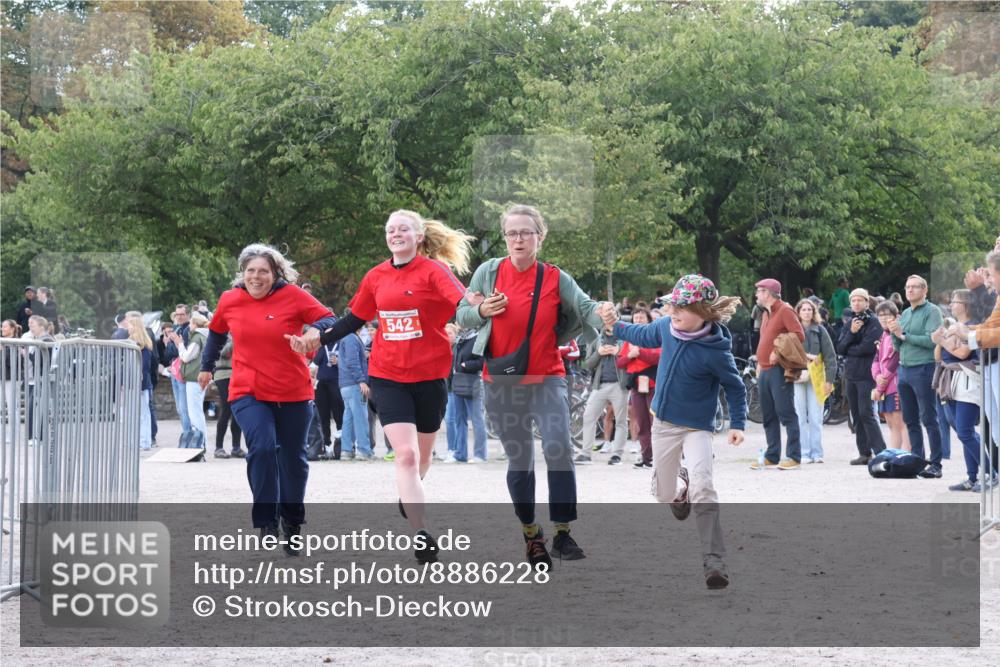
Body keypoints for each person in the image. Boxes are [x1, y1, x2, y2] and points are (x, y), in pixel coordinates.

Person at [292, 210, 476, 564]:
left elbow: (461, 304)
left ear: (418, 236)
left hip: (431, 375)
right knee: (405, 455)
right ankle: (421, 533)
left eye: (403, 229)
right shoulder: (376, 276)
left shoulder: (435, 271)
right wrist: (320, 337)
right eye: (391, 230)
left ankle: (410, 495)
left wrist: (480, 306)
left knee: (422, 458)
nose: (396, 234)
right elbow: (354, 319)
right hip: (387, 374)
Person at [455, 203, 607, 568]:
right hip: (501, 380)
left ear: (540, 237)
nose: (518, 239)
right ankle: (531, 535)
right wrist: (481, 312)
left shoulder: (555, 277)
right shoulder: (488, 273)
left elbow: (586, 308)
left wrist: (604, 311)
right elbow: (460, 314)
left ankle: (563, 531)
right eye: (511, 233)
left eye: (526, 232)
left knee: (557, 445)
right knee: (520, 458)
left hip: (547, 376)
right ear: (505, 237)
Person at [600, 274, 746, 589]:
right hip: (664, 424)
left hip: (697, 427)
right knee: (663, 494)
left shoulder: (716, 351)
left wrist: (738, 424)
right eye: (672, 306)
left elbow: (735, 388)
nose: (674, 312)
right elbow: (638, 332)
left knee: (705, 487)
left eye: (682, 307)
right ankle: (682, 486)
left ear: (704, 312)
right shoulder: (665, 328)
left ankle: (714, 562)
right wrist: (614, 324)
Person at [198, 243, 335, 550]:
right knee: (260, 447)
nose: (256, 277)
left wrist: (313, 333)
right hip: (249, 389)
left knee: (292, 459)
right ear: (242, 273)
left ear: (275, 274)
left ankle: (292, 521)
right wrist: (206, 366)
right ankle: (267, 521)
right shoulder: (230, 299)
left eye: (263, 271)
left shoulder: (295, 296)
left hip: (293, 390)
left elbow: (328, 319)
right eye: (250, 271)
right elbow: (217, 331)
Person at [889, 275, 945, 478]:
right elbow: (898, 345)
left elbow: (932, 341)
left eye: (914, 287)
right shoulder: (904, 313)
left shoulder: (932, 312)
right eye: (907, 287)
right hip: (904, 369)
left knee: (929, 418)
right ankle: (917, 460)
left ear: (924, 290)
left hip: (924, 368)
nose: (910, 290)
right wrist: (894, 334)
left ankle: (936, 464)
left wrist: (903, 334)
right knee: (910, 419)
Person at [750, 278, 805, 470]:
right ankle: (772, 455)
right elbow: (764, 340)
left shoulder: (785, 311)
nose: (756, 295)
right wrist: (759, 362)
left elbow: (799, 335)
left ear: (768, 293)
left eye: (759, 291)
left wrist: (779, 351)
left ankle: (794, 456)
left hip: (779, 369)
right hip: (764, 369)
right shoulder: (766, 314)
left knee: (786, 412)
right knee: (768, 415)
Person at [931, 290, 983, 492]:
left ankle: (990, 472)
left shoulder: (971, 326)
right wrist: (940, 340)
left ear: (966, 304)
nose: (951, 304)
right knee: (964, 433)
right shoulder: (953, 326)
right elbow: (938, 355)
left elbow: (962, 353)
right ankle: (972, 477)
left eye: (955, 301)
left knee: (965, 431)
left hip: (966, 380)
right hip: (950, 380)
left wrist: (943, 340)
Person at [836, 288, 886, 465]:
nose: (856, 303)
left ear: (866, 302)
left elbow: (868, 348)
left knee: (867, 413)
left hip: (867, 374)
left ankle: (881, 452)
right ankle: (864, 453)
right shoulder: (850, 322)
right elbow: (840, 348)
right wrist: (852, 333)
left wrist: (850, 349)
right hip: (851, 374)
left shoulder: (874, 322)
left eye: (859, 300)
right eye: (853, 300)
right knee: (855, 415)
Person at [578, 325, 629, 466]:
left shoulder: (625, 339)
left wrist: (619, 352)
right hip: (599, 385)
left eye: (612, 320)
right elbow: (587, 364)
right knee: (588, 416)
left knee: (621, 420)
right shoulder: (597, 340)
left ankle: (616, 455)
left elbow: (633, 358)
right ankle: (585, 454)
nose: (609, 323)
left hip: (620, 386)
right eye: (606, 320)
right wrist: (598, 353)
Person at [615, 307, 660, 468]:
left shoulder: (655, 337)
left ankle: (658, 456)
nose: (638, 320)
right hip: (636, 385)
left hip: (653, 383)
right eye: (636, 318)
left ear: (648, 320)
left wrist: (640, 352)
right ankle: (646, 456)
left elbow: (658, 357)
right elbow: (619, 362)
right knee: (641, 422)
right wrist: (629, 355)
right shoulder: (629, 340)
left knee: (656, 422)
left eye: (642, 317)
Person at [794, 299, 836, 464]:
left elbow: (830, 357)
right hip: (797, 376)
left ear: (814, 312)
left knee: (816, 416)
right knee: (800, 416)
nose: (806, 312)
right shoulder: (792, 330)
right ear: (798, 312)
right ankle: (803, 453)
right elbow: (786, 350)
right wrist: (809, 356)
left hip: (816, 378)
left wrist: (830, 380)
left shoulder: (820, 330)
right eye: (803, 309)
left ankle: (817, 453)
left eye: (809, 310)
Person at [446, 325, 489, 463]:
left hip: (474, 382)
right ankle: (460, 454)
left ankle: (480, 454)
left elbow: (482, 362)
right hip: (458, 382)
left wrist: (465, 365)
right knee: (460, 419)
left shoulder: (478, 338)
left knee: (477, 420)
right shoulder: (460, 339)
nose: (462, 323)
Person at [872, 301, 910, 451]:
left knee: (900, 422)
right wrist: (877, 377)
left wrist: (880, 385)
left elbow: (894, 361)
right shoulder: (883, 335)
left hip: (895, 385)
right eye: (880, 315)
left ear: (896, 316)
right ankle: (893, 454)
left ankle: (906, 455)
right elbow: (876, 360)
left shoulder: (897, 334)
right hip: (884, 386)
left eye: (887, 314)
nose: (883, 318)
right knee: (890, 423)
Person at [337, 317, 373, 461]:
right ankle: (363, 450)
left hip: (345, 384)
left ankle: (346, 450)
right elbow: (352, 362)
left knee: (349, 417)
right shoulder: (352, 338)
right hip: (354, 384)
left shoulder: (346, 337)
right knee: (360, 417)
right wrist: (361, 381)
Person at [311, 333, 344, 460]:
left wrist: (339, 361)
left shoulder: (341, 344)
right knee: (323, 417)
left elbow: (348, 362)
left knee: (338, 416)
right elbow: (313, 365)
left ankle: (339, 447)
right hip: (322, 386)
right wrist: (312, 375)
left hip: (336, 384)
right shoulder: (322, 346)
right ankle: (327, 446)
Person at [125, 314, 156, 451]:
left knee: (143, 414)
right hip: (136, 383)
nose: (128, 328)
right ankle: (140, 440)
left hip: (140, 384)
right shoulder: (135, 344)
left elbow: (144, 367)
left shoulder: (141, 346)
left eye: (130, 325)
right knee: (139, 414)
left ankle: (144, 441)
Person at [164, 304, 193, 443]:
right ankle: (186, 434)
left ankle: (188, 437)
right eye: (177, 314)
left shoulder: (188, 330)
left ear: (187, 315)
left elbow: (182, 351)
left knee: (184, 408)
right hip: (174, 372)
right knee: (179, 409)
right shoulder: (176, 329)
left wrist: (174, 344)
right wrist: (170, 344)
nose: (179, 317)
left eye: (181, 314)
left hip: (183, 372)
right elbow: (168, 353)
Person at [212, 334, 244, 458]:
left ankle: (236, 447)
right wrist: (237, 338)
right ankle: (218, 448)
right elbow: (223, 352)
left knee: (237, 409)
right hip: (223, 374)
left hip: (238, 374)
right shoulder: (220, 336)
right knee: (226, 408)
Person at [2, 320, 23, 443]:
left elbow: (14, 363)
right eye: (2, 326)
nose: (2, 329)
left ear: (12, 329)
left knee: (11, 408)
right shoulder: (2, 342)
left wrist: (3, 351)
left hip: (12, 378)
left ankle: (13, 435)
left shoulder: (16, 342)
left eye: (5, 327)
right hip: (2, 378)